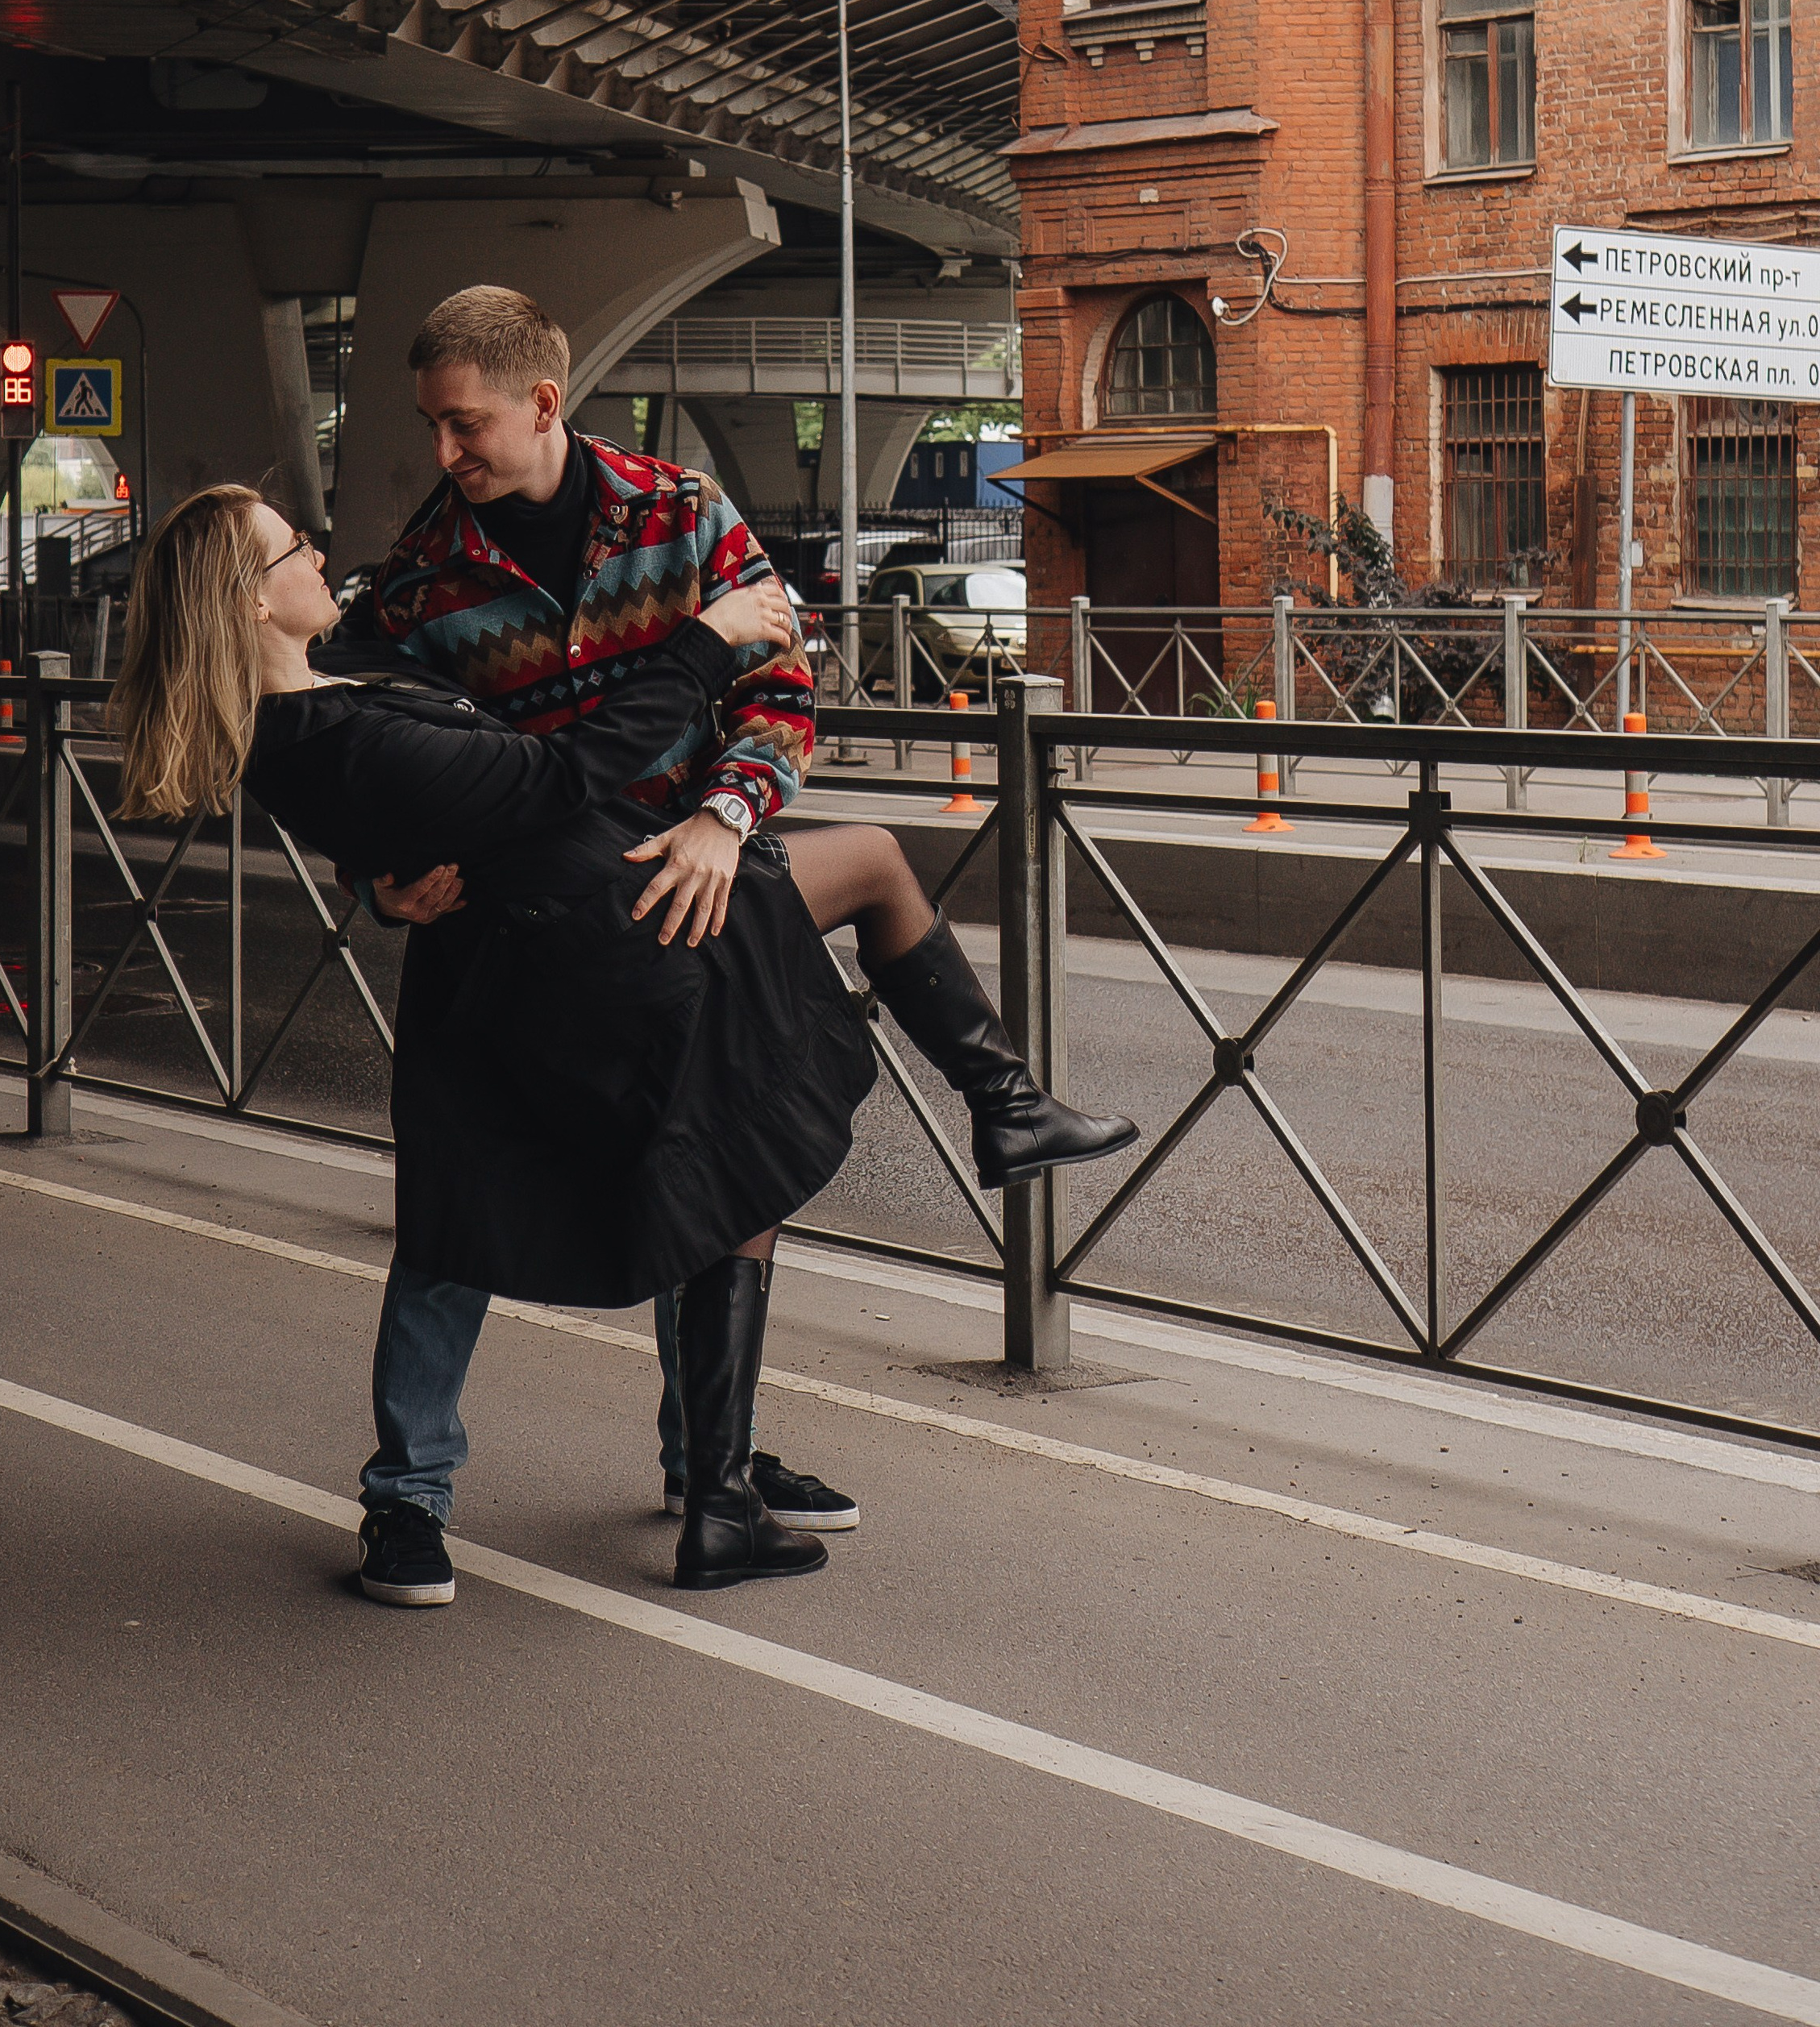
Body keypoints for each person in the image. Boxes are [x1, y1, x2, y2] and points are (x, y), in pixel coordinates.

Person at [112, 487, 1140, 1600]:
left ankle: (715, 1473)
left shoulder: (336, 691)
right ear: (250, 601)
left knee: (685, 1176)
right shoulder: (338, 716)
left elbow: (407, 804)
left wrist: (379, 874)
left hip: (564, 931)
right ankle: (993, 1125)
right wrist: (710, 641)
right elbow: (552, 776)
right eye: (292, 548)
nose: (321, 550)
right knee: (722, 1138)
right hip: (625, 918)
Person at [320, 285, 1136, 1593]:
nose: (445, 455)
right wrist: (378, 872)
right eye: (431, 428)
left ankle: (715, 1463)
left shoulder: (683, 513)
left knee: (703, 1174)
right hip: (508, 924)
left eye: (464, 426)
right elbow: (358, 753)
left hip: (682, 897)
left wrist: (723, 816)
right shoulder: (423, 571)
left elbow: (782, 690)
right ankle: (410, 1500)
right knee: (453, 1216)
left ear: (543, 403)